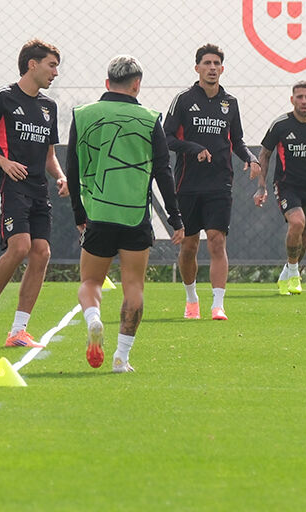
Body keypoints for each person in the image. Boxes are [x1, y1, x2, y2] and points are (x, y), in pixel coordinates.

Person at [68, 55, 185, 373]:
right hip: (135, 217)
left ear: (107, 83)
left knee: (91, 281)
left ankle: (93, 318)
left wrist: (80, 213)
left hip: (99, 213)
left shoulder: (84, 115)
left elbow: (73, 166)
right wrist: (175, 218)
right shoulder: (150, 119)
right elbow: (164, 172)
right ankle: (122, 358)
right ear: (137, 84)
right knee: (134, 287)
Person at [0, 39, 68, 348]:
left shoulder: (48, 107)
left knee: (42, 253)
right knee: (21, 246)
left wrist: (61, 176)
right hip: (7, 185)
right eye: (51, 65)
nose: (55, 73)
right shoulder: (2, 98)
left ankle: (18, 331)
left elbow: (49, 154)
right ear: (32, 64)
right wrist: (4, 162)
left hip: (39, 188)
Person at [162, 44, 261, 321]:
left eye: (217, 63)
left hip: (220, 183)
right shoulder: (183, 100)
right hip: (188, 184)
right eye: (207, 63)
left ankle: (218, 304)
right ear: (197, 68)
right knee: (190, 244)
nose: (212, 67)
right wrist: (194, 148)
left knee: (217, 242)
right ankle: (191, 298)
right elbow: (166, 138)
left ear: (222, 68)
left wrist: (251, 157)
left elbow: (236, 140)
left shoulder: (230, 103)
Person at [253, 81, 306, 296]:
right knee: (297, 222)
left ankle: (285, 276)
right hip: (286, 185)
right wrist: (261, 186)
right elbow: (265, 153)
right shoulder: (281, 125)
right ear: (292, 99)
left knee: (304, 236)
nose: (303, 101)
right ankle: (294, 273)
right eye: (299, 97)